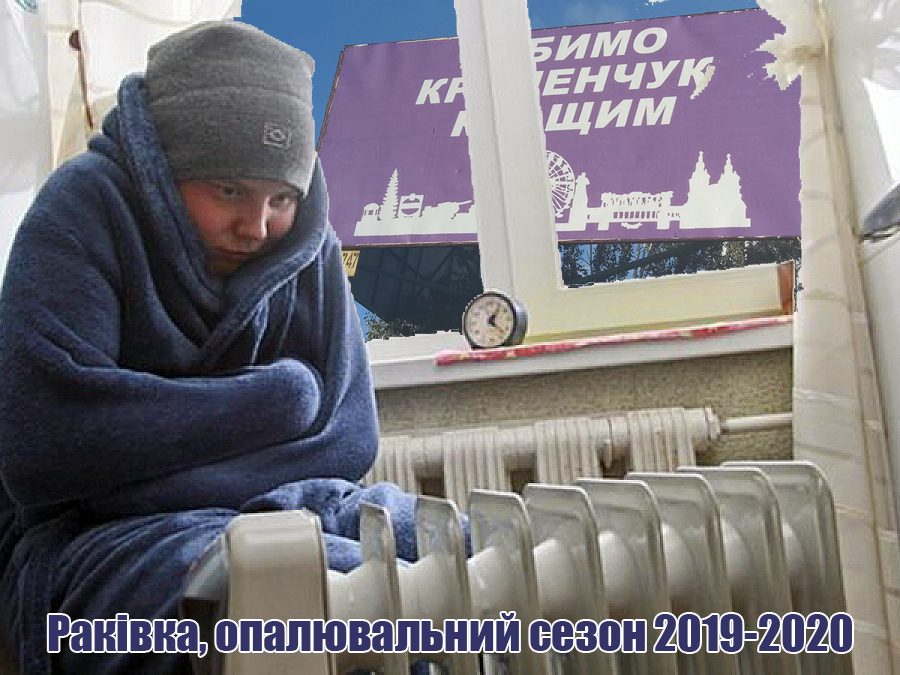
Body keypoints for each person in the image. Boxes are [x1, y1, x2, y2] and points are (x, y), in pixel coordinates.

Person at [0, 20, 426, 674]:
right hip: (93, 535)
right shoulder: (81, 209)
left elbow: (347, 442)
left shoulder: (307, 243)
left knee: (438, 555)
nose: (256, 227)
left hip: (293, 502)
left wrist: (143, 468)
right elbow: (45, 448)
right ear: (162, 169)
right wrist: (277, 401)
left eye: (281, 198)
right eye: (229, 190)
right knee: (298, 592)